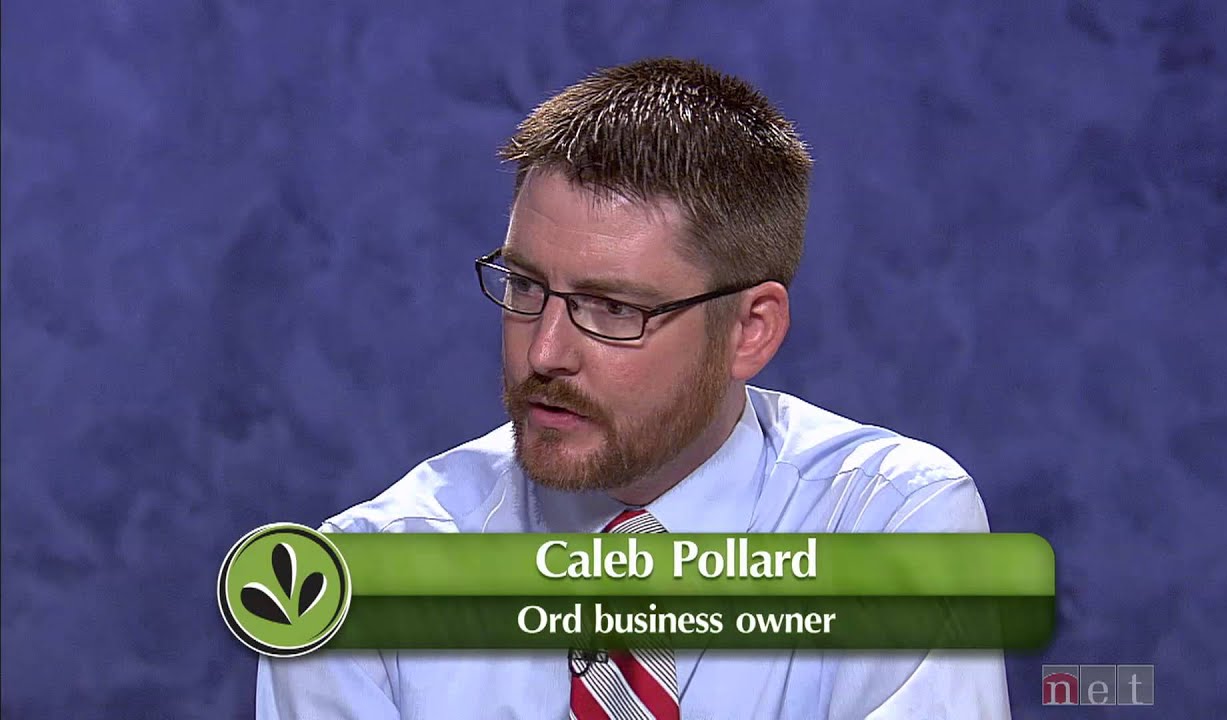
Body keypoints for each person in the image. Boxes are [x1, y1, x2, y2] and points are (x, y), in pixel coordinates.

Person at [257, 57, 1012, 719]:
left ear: (750, 330)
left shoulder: (890, 524)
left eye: (614, 308)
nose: (544, 352)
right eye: (525, 285)